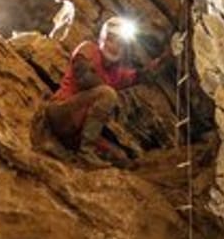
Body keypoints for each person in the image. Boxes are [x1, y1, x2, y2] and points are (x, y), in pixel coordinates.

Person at [41, 16, 170, 165]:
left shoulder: (116, 73)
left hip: (76, 132)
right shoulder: (88, 49)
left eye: (120, 43)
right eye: (111, 39)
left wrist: (166, 58)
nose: (115, 46)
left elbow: (142, 75)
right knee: (108, 93)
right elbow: (84, 78)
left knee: (121, 157)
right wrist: (107, 89)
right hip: (61, 114)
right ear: (103, 38)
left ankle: (84, 151)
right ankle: (85, 152)